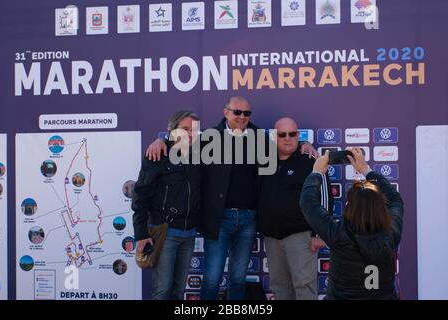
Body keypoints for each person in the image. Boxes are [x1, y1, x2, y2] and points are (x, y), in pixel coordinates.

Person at [146, 96, 319, 300]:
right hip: (219, 219)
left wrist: (304, 144)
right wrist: (160, 141)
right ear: (225, 112)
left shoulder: (260, 137)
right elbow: (181, 145)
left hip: (248, 219)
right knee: (212, 279)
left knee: (238, 278)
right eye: (237, 112)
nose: (242, 117)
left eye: (247, 113)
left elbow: (285, 145)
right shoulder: (209, 137)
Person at [300, 148, 404, 299]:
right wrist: (365, 170)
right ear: (380, 207)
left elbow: (308, 202)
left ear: (350, 208)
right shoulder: (391, 232)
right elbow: (394, 198)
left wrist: (317, 172)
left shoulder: (337, 233)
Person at [257, 117, 332, 300]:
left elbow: (325, 196)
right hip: (272, 237)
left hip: (301, 236)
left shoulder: (310, 161)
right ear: (275, 136)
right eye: (282, 134)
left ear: (298, 135)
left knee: (304, 286)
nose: (287, 138)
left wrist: (320, 233)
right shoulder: (264, 160)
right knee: (280, 288)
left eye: (292, 134)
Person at [132, 110, 201, 300]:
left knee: (179, 292)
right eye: (185, 129)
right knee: (162, 291)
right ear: (172, 130)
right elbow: (140, 194)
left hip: (189, 234)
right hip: (165, 232)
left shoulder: (200, 155)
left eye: (194, 130)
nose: (189, 134)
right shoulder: (158, 154)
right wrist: (141, 233)